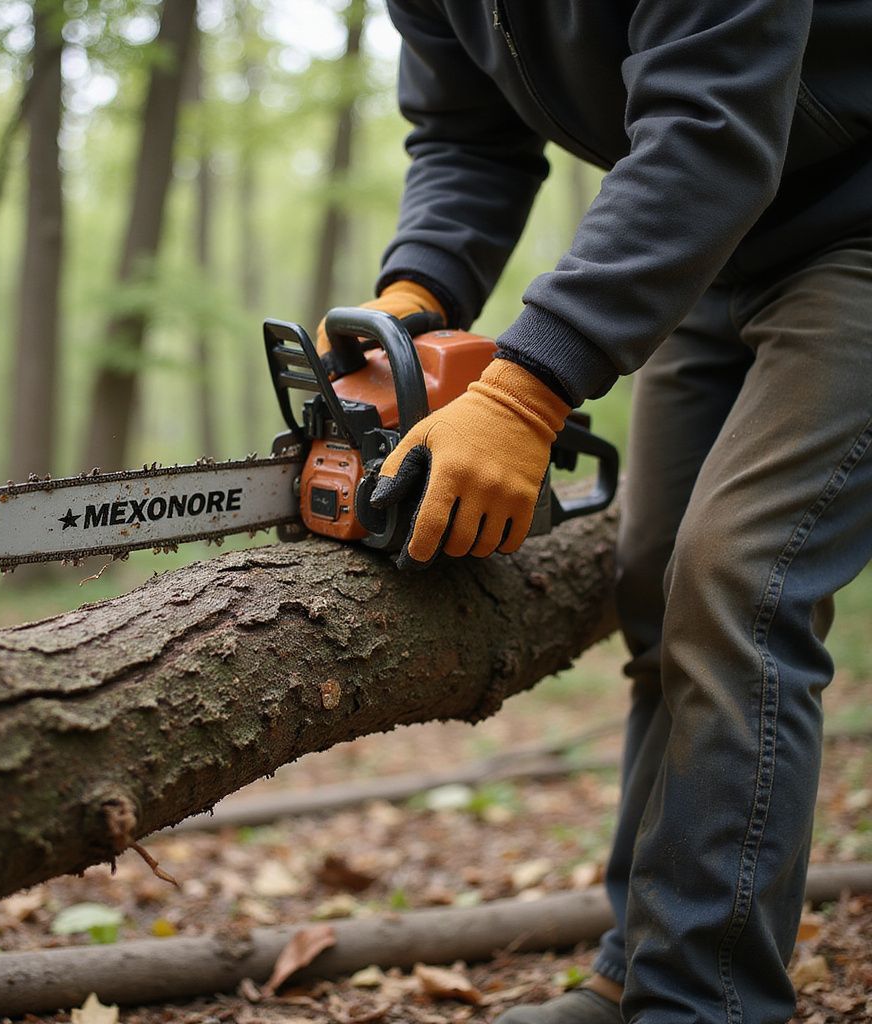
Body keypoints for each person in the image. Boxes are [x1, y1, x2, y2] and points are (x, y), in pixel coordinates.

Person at [318, 3, 872, 1023]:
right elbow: (465, 137)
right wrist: (414, 293)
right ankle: (640, 972)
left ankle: (703, 1002)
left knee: (739, 575)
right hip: (714, 243)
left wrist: (528, 390)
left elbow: (709, 124)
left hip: (846, 224)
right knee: (656, 580)